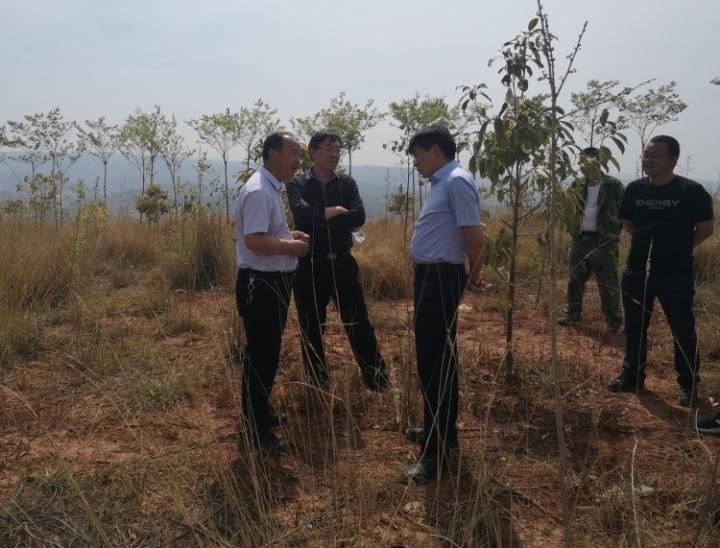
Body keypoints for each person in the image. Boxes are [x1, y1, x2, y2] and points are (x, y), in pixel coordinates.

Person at [403, 126, 486, 483]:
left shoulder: (455, 181)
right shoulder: (443, 182)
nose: (417, 164)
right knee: (435, 360)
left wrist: (471, 275)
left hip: (441, 279)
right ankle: (439, 431)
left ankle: (435, 453)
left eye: (419, 156)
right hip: (431, 278)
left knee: (434, 363)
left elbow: (474, 234)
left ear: (435, 151)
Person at [607, 135, 714, 406]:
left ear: (673, 159)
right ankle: (631, 376)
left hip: (675, 272)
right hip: (636, 270)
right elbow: (629, 224)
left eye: (655, 155)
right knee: (634, 326)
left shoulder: (691, 192)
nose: (648, 159)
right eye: (645, 154)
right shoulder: (634, 190)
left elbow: (705, 229)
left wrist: (676, 248)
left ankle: (688, 386)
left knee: (682, 328)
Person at [286, 131, 388, 392]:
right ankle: (319, 383)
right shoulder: (297, 184)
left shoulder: (346, 183)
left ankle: (376, 381)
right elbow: (301, 215)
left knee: (358, 322)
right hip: (309, 264)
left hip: (342, 263)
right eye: (328, 148)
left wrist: (318, 215)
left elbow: (359, 216)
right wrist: (335, 211)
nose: (334, 154)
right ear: (312, 152)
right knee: (311, 325)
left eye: (337, 149)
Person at [234, 132, 310, 453]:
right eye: (292, 153)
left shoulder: (269, 189)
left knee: (266, 354)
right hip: (261, 285)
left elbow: (264, 233)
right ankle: (256, 432)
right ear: (272, 154)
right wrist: (290, 245)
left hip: (272, 282)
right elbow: (253, 240)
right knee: (262, 357)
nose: (297, 161)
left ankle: (258, 412)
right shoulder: (259, 191)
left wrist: (286, 235)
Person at [558, 147, 624, 332]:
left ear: (599, 162)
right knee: (574, 279)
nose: (583, 166)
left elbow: (625, 213)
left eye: (587, 162)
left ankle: (614, 322)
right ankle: (572, 314)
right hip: (580, 240)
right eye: (581, 162)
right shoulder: (577, 185)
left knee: (607, 283)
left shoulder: (614, 185)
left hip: (604, 242)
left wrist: (613, 234)